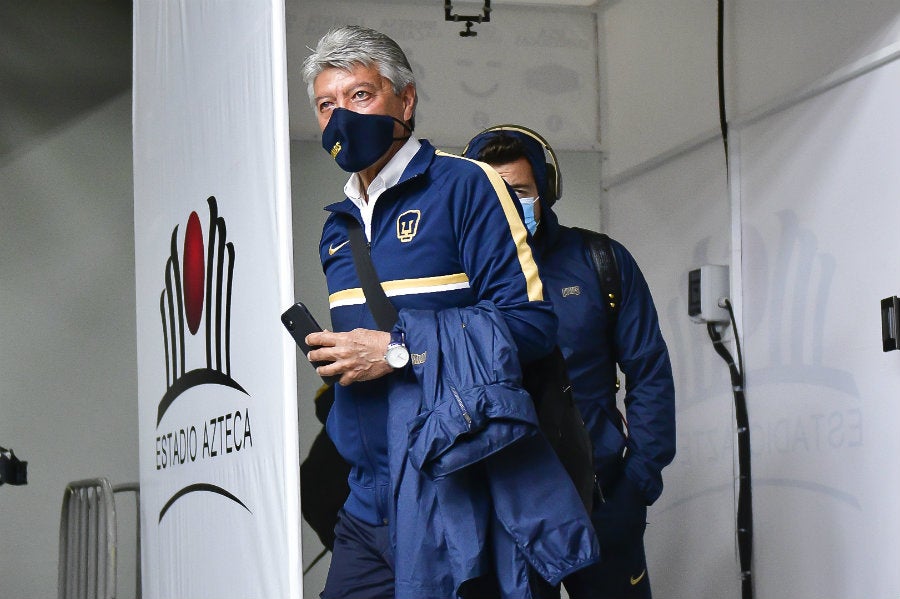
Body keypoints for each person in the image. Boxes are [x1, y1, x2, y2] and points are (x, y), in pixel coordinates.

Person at [299, 28, 598, 599]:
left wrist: (394, 350)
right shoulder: (336, 228)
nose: (341, 118)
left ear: (404, 100)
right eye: (325, 105)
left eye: (359, 96)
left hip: (454, 489)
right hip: (367, 501)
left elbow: (532, 325)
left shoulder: (469, 186)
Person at [464, 125, 676, 599]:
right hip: (502, 508)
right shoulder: (457, 279)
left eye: (517, 191)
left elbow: (649, 372)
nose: (505, 205)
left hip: (602, 498)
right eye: (491, 192)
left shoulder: (601, 260)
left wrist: (638, 482)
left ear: (546, 191)